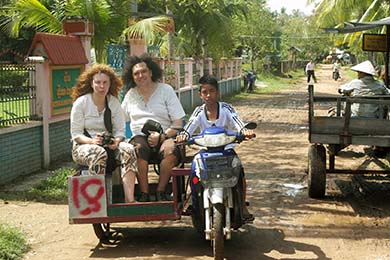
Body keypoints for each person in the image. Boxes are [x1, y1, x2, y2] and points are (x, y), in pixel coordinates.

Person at [176, 74, 255, 222]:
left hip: (226, 149)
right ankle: (193, 201)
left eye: (211, 91)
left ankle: (242, 205)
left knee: (239, 172)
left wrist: (244, 131)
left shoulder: (226, 108)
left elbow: (238, 121)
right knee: (194, 171)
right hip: (205, 151)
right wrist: (184, 136)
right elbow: (189, 127)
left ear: (217, 92)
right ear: (200, 95)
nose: (208, 95)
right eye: (204, 92)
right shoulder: (198, 111)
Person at [121, 54, 186, 202]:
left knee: (170, 152)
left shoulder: (166, 90)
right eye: (136, 73)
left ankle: (160, 192)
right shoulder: (130, 95)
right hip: (140, 137)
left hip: (166, 135)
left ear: (151, 72)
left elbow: (178, 123)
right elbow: (119, 120)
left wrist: (162, 136)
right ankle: (144, 194)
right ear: (132, 77)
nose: (140, 75)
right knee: (137, 148)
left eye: (143, 71)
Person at [70, 64, 138, 203]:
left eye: (105, 82)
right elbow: (76, 134)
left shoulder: (113, 103)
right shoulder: (81, 103)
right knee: (98, 152)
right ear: (91, 83)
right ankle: (96, 202)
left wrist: (116, 142)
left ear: (110, 84)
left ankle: (129, 200)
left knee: (129, 150)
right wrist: (92, 141)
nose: (101, 86)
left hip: (109, 145)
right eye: (98, 82)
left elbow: (120, 130)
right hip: (83, 146)